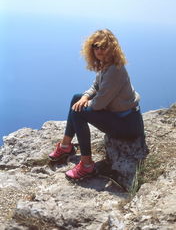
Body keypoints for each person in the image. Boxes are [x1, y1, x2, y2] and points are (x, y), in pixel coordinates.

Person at [49, 29, 145, 180]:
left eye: (103, 46)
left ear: (112, 47)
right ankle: (66, 146)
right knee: (77, 98)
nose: (99, 50)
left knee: (78, 111)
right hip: (121, 118)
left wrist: (84, 105)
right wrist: (85, 97)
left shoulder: (115, 70)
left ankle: (87, 165)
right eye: (95, 46)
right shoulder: (106, 64)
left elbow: (99, 104)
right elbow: (95, 87)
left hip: (128, 126)